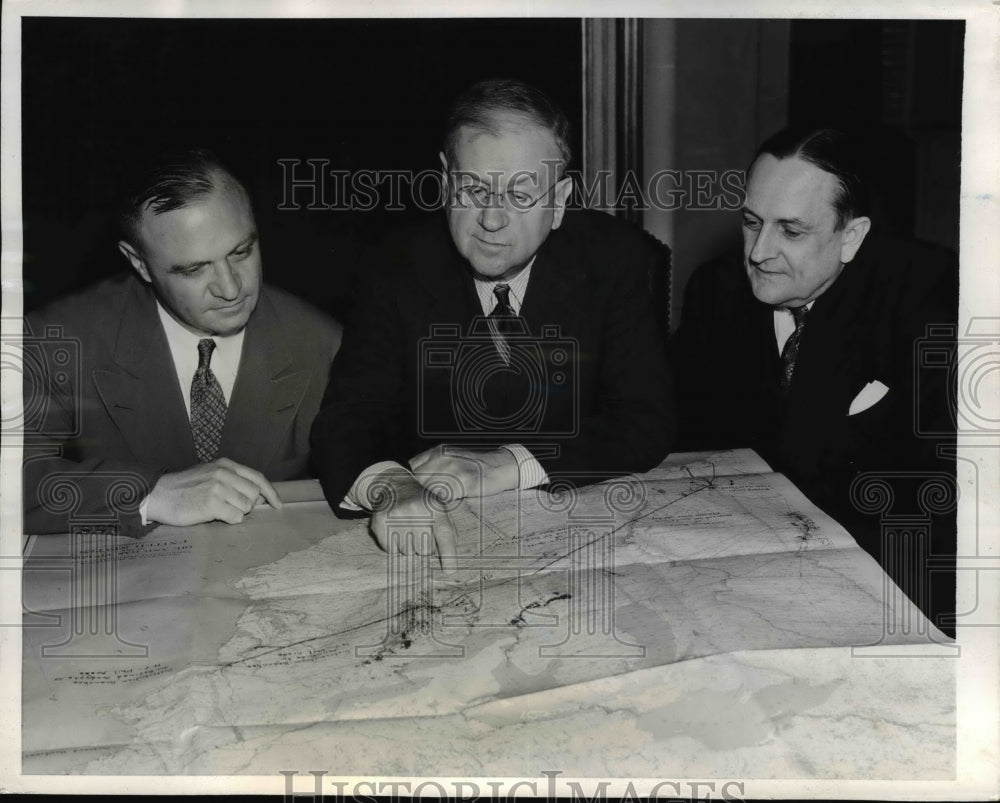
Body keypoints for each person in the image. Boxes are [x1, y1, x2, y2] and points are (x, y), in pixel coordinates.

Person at [310, 79, 675, 568]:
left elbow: (645, 418)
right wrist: (389, 484)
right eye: (474, 189)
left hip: (577, 534)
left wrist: (511, 464)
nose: (492, 219)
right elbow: (349, 414)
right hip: (439, 536)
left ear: (559, 201)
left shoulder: (613, 260)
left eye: (520, 195)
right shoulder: (393, 265)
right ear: (445, 182)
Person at [671, 126, 957, 633]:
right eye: (751, 223)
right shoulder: (716, 292)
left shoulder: (931, 298)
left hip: (885, 577)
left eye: (791, 231)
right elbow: (687, 440)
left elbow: (951, 493)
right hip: (737, 562)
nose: (759, 252)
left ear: (851, 236)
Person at [24, 148, 342, 537]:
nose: (231, 288)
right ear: (139, 263)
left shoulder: (323, 342)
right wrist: (151, 494)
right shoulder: (55, 340)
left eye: (241, 252)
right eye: (193, 269)